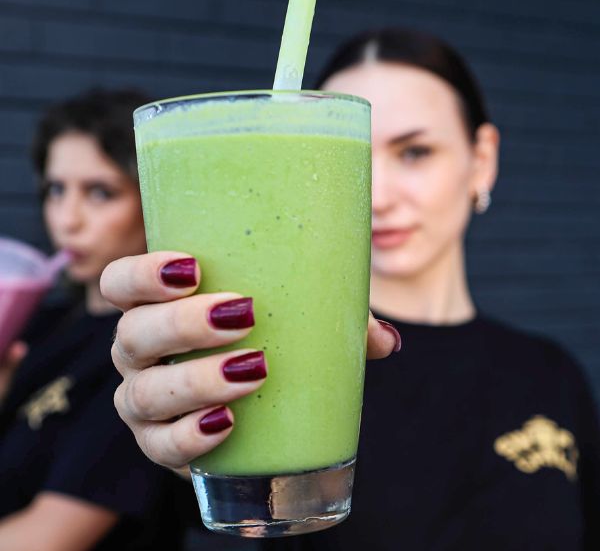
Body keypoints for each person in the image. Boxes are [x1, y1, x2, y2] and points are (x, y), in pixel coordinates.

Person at [100, 29, 600, 550]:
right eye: (355, 160)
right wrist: (199, 444)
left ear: (482, 159)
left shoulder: (551, 374)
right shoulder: (283, 354)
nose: (376, 194)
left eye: (415, 151)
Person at [0, 89, 196, 551]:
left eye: (100, 193)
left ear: (153, 199)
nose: (67, 220)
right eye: (56, 190)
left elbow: (45, 540)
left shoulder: (145, 362)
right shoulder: (39, 325)